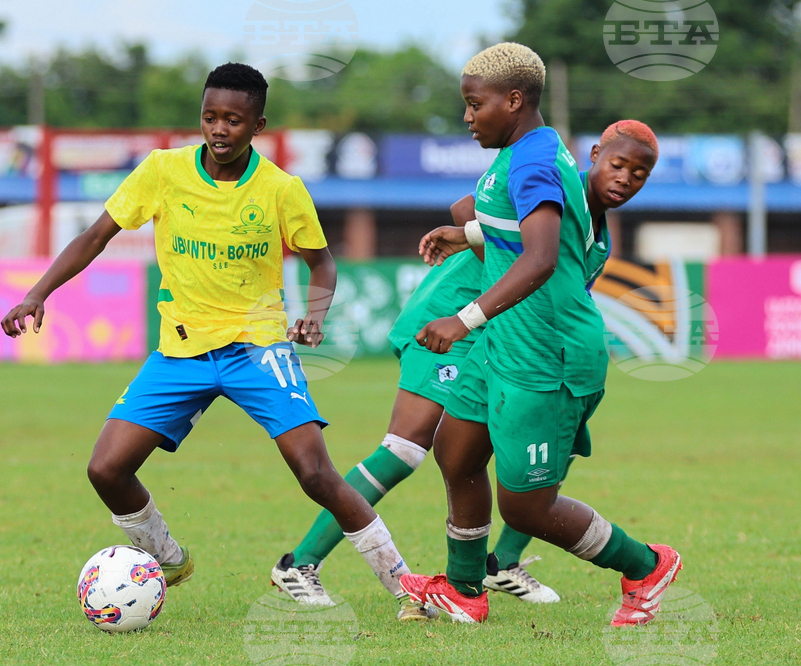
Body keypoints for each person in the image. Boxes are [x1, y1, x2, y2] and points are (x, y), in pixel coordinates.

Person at [0, 63, 418, 619]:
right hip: (181, 350)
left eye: (233, 120)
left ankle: (408, 588)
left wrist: (314, 315)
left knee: (316, 473)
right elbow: (96, 235)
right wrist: (38, 293)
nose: (219, 129)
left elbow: (322, 263)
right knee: (105, 470)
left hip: (258, 349)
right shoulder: (163, 171)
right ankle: (167, 557)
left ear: (257, 124)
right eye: (210, 117)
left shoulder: (280, 189)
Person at [272, 119, 658, 618]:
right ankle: (300, 564)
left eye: (639, 172)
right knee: (408, 448)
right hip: (454, 320)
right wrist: (472, 234)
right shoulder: (555, 181)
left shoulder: (596, 233)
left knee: (517, 459)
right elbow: (471, 209)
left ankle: (496, 568)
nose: (625, 176)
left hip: (499, 338)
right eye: (618, 163)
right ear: (595, 154)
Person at [398, 43, 682, 627]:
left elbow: (543, 257)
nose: (468, 117)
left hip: (546, 358)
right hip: (508, 342)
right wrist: (470, 233)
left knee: (526, 509)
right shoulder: (533, 149)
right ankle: (464, 589)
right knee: (455, 453)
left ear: (514, 100)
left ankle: (647, 566)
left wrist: (463, 319)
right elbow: (526, 224)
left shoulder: (531, 161)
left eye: (474, 105)